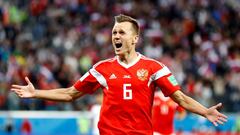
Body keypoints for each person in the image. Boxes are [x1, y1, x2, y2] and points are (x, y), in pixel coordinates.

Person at [11, 14, 227, 135]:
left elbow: (180, 98)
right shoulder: (102, 69)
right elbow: (70, 94)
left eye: (122, 32)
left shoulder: (155, 68)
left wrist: (204, 112)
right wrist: (36, 93)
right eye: (114, 32)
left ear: (135, 39)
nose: (116, 35)